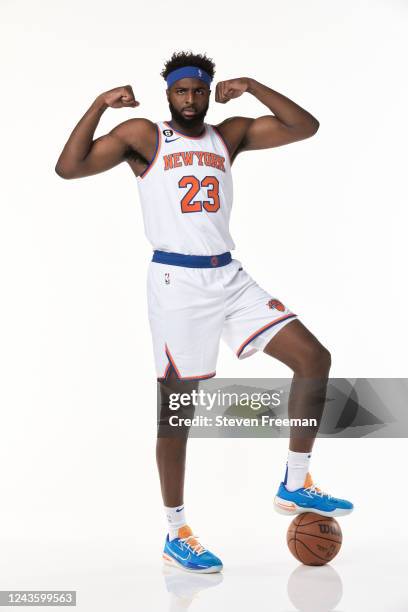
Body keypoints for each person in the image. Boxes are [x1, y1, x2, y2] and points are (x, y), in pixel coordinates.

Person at [55, 50, 353, 574]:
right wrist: (101, 103)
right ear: (167, 93)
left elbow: (305, 127)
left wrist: (255, 84)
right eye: (180, 91)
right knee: (178, 411)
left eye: (198, 90)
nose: (190, 100)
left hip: (229, 276)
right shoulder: (145, 136)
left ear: (209, 91)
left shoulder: (229, 134)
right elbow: (68, 167)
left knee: (313, 358)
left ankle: (296, 479)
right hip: (177, 284)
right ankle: (177, 532)